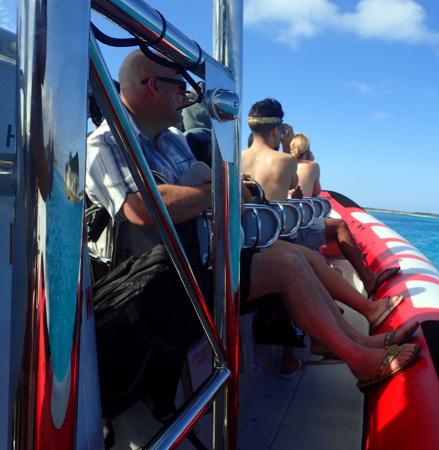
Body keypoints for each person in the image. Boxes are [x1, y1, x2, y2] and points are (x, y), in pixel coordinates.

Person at [86, 50, 419, 391]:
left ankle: (361, 341)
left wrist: (223, 191)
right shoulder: (104, 146)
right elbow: (140, 209)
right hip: (156, 282)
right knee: (286, 265)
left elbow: (201, 192)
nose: (186, 97)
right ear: (153, 86)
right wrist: (223, 192)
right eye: (180, 87)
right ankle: (358, 359)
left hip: (198, 259)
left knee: (295, 255)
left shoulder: (173, 142)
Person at [242, 99, 399, 298]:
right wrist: (285, 147)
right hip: (278, 235)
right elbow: (292, 183)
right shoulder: (287, 159)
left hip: (249, 235)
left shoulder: (238, 158)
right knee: (339, 225)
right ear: (276, 131)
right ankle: (368, 280)